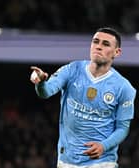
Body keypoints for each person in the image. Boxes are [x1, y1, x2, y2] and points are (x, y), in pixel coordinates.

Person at [30, 27, 136, 168]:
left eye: (105, 44)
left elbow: (122, 128)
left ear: (117, 52)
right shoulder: (72, 69)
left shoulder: (124, 87)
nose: (98, 46)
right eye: (95, 42)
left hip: (102, 161)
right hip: (67, 160)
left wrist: (103, 146)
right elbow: (46, 92)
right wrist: (41, 83)